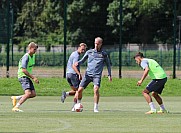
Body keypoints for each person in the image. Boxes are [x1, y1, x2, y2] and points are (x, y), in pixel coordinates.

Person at [74, 37, 112, 113]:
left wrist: (109, 74)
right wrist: (78, 63)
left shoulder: (104, 54)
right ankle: (78, 104)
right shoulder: (89, 52)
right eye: (95, 43)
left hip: (97, 76)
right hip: (88, 74)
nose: (96, 45)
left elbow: (108, 65)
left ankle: (95, 107)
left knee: (96, 89)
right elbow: (82, 60)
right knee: (80, 90)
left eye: (97, 44)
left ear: (101, 44)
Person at [11, 42, 39, 112]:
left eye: (36, 50)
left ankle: (16, 97)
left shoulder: (33, 56)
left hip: (27, 76)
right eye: (34, 49)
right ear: (30, 48)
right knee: (28, 93)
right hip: (23, 76)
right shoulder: (26, 57)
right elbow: (23, 70)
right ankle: (16, 107)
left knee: (33, 94)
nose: (35, 51)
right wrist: (33, 77)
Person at [61, 43, 87, 111]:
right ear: (78, 47)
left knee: (75, 91)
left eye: (84, 50)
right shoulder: (76, 56)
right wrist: (79, 74)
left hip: (68, 74)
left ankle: (65, 94)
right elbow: (74, 66)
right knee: (79, 91)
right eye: (82, 49)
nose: (83, 51)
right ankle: (74, 106)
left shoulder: (73, 53)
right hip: (73, 74)